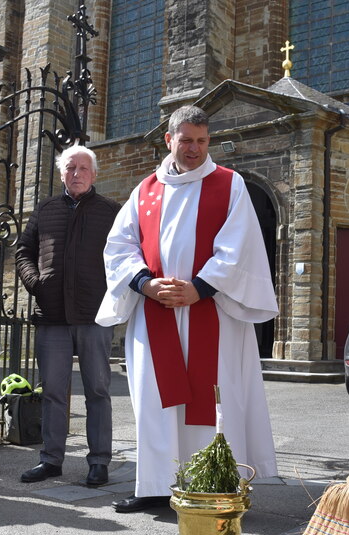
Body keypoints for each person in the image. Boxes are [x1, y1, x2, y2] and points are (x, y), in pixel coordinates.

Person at [96, 105, 279, 513]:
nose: (194, 148)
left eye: (201, 140)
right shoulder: (144, 191)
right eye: (186, 140)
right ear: (169, 140)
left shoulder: (229, 185)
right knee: (154, 398)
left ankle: (213, 483)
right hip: (155, 310)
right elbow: (118, 246)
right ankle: (156, 487)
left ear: (208, 140)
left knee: (214, 398)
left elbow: (240, 247)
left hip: (211, 311)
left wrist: (199, 288)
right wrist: (145, 283)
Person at [15, 145, 121, 487]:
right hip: (52, 314)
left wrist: (111, 294)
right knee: (53, 391)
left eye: (83, 168)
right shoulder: (45, 208)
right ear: (61, 173)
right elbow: (23, 251)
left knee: (98, 390)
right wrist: (35, 282)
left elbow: (124, 257)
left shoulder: (111, 212)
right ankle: (51, 459)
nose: (76, 174)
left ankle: (99, 461)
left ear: (94, 174)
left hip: (94, 315)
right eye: (70, 168)